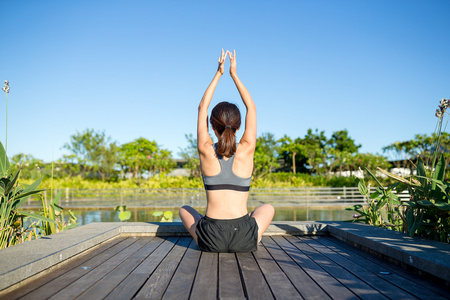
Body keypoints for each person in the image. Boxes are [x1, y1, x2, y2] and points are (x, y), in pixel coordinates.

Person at [179, 49, 274, 253]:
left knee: (184, 209)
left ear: (213, 127)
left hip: (210, 238)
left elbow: (202, 108)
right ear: (238, 127)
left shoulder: (206, 150)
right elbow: (252, 108)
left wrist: (218, 73)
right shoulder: (247, 150)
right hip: (244, 237)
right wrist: (234, 74)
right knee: (268, 208)